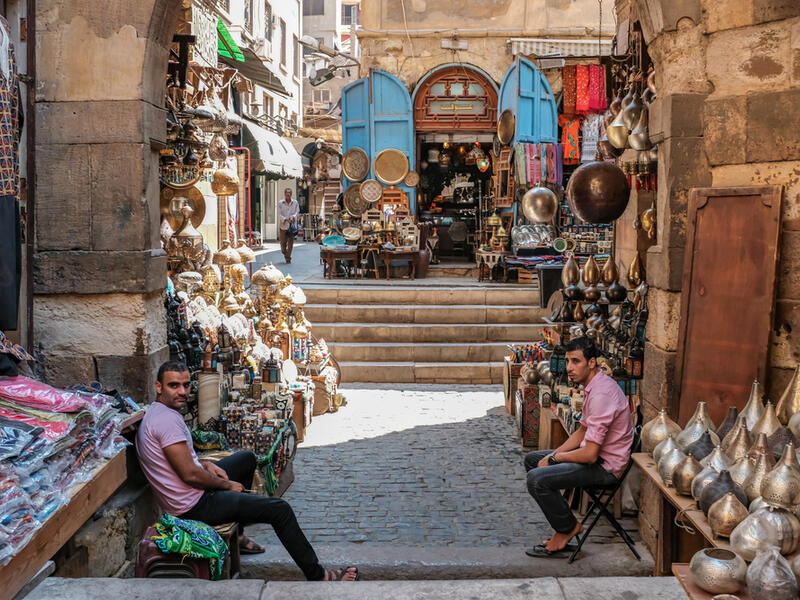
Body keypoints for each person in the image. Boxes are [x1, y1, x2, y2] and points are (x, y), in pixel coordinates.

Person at [136, 361, 359, 582]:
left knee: (246, 459)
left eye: (186, 385)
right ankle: (318, 575)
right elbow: (189, 475)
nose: (182, 392)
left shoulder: (160, 413)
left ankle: (239, 537)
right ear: (158, 387)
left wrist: (205, 464)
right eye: (174, 386)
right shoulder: (166, 421)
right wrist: (227, 485)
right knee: (280, 510)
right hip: (192, 506)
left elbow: (183, 462)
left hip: (192, 491)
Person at [523, 337, 633, 558]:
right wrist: (555, 454)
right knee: (532, 460)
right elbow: (582, 431)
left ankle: (566, 528)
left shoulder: (602, 394)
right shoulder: (595, 386)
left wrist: (556, 459)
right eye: (567, 361)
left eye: (576, 361)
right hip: (594, 457)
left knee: (537, 479)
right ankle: (564, 521)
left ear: (591, 363)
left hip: (605, 468)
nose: (570, 368)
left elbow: (591, 455)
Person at [278, 188, 299, 264]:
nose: (288, 194)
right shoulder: (280, 203)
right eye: (287, 193)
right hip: (283, 226)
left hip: (291, 226)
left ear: (291, 194)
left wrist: (293, 217)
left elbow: (297, 212)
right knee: (283, 244)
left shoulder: (295, 202)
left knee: (290, 243)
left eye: (289, 193)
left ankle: (288, 258)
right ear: (284, 194)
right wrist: (285, 219)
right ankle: (286, 254)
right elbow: (279, 214)